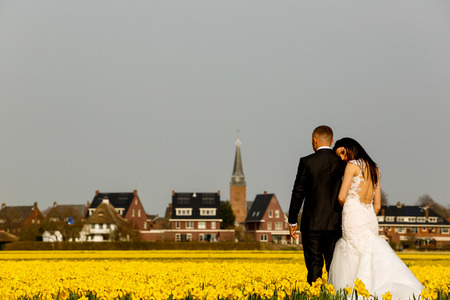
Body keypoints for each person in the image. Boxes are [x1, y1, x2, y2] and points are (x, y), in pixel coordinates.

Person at [328, 137, 423, 299]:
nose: (343, 158)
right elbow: (377, 206)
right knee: (370, 252)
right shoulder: (375, 168)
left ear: (351, 148)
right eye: (340, 156)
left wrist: (349, 204)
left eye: (343, 153)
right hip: (369, 215)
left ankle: (356, 292)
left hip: (353, 214)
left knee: (352, 252)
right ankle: (374, 291)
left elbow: (342, 197)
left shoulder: (352, 166)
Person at [288, 125, 346, 285]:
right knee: (335, 267)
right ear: (332, 141)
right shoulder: (342, 163)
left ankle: (315, 296)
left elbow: (297, 192)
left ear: (314, 141)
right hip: (335, 224)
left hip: (312, 224)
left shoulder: (307, 162)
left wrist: (292, 220)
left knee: (314, 267)